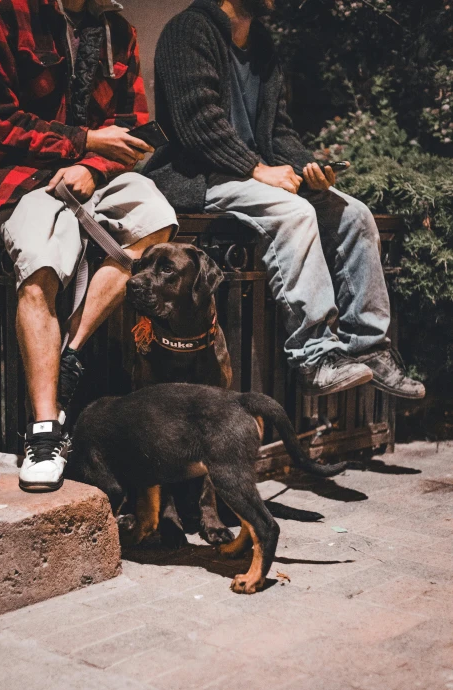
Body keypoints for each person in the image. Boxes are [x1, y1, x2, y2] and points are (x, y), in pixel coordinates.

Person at [146, 0, 425, 401]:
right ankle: (315, 356)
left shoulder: (261, 44)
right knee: (294, 212)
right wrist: (256, 168)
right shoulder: (187, 31)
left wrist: (308, 167)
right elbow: (197, 125)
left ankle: (369, 348)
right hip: (200, 176)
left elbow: (277, 131)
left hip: (254, 175)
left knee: (354, 215)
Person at [0, 0, 178, 491]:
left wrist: (92, 165)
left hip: (92, 172)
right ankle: (43, 430)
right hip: (17, 175)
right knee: (41, 264)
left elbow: (135, 131)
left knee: (156, 219)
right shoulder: (5, 14)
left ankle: (70, 353)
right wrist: (83, 142)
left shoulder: (118, 30)